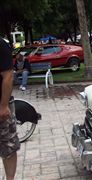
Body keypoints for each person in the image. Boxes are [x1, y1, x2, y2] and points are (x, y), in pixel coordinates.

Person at [0, 37, 20, 180]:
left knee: (8, 146)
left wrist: (4, 106)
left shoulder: (1, 44)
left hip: (1, 105)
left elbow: (8, 76)